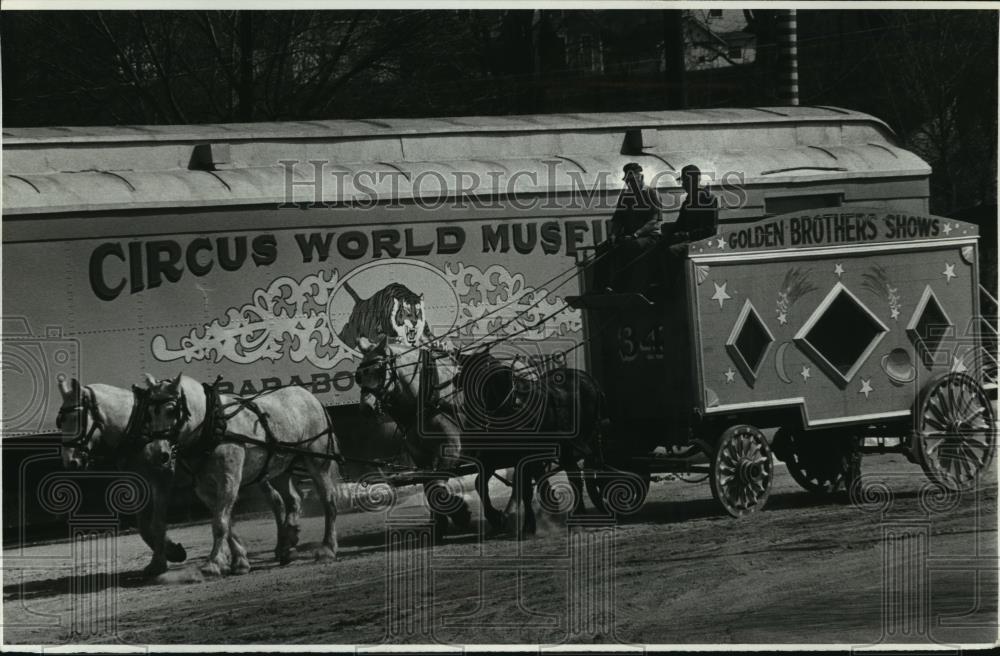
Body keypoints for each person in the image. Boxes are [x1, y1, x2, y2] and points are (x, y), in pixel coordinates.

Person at [598, 163, 663, 292]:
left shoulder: (651, 193)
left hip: (649, 237)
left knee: (631, 247)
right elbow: (618, 219)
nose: (629, 184)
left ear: (641, 177)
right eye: (627, 181)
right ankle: (600, 286)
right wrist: (613, 234)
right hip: (629, 237)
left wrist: (636, 234)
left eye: (632, 180)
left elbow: (654, 221)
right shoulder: (625, 196)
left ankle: (626, 286)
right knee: (603, 248)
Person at [666, 164, 719, 246]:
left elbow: (710, 230)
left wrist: (686, 235)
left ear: (691, 181)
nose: (682, 184)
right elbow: (679, 224)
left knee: (668, 251)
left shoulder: (707, 199)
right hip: (688, 241)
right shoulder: (688, 200)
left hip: (700, 244)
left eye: (684, 181)